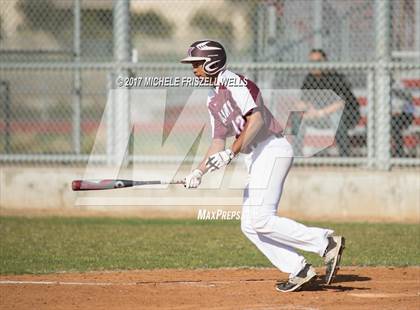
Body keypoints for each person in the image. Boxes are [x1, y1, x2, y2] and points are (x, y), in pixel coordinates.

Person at [180, 40, 345, 292]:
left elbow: (255, 120)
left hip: (272, 148)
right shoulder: (212, 97)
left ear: (212, 62)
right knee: (250, 225)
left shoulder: (235, 82)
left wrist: (231, 153)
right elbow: (217, 141)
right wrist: (199, 171)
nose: (194, 69)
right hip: (255, 156)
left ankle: (324, 241)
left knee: (261, 219)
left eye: (197, 64)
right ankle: (299, 269)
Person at [293, 49, 360, 157]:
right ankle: (296, 155)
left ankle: (345, 156)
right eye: (312, 62)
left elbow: (340, 103)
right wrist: (305, 109)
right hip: (320, 115)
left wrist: (320, 113)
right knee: (296, 116)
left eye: (318, 61)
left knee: (335, 116)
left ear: (324, 61)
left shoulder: (334, 77)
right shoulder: (309, 78)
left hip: (346, 115)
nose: (314, 65)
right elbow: (303, 102)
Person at [390, 79, 414, 157]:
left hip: (405, 114)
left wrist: (399, 109)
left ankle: (399, 152)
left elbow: (408, 104)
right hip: (391, 115)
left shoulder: (399, 85)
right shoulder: (379, 86)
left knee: (395, 124)